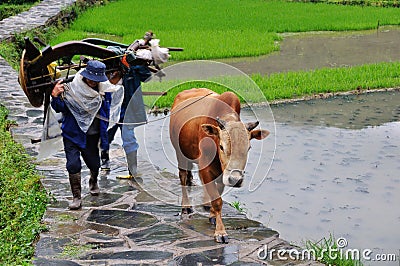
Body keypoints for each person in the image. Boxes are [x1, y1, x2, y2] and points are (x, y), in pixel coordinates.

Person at [51, 60, 122, 210]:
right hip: (72, 133)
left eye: (96, 80)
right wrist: (55, 95)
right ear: (84, 76)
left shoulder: (104, 91)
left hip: (92, 135)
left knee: (94, 164)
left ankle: (93, 181)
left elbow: (107, 112)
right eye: (90, 78)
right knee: (73, 164)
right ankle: (76, 197)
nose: (92, 82)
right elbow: (59, 108)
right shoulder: (72, 88)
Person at [101, 64, 152, 178]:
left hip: (127, 112)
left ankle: (132, 170)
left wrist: (133, 62)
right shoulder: (102, 79)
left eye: (114, 73)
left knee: (129, 139)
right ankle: (105, 162)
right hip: (109, 112)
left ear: (121, 71)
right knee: (105, 137)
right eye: (109, 73)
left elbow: (147, 76)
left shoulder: (131, 75)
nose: (111, 76)